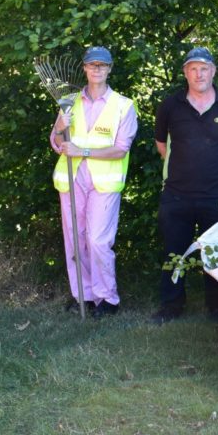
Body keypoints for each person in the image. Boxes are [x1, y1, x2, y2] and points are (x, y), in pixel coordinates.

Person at [152, 47, 218, 323]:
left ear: (213, 71)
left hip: (217, 195)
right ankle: (171, 306)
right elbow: (162, 145)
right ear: (185, 73)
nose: (199, 73)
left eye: (204, 68)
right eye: (193, 68)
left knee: (216, 254)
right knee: (174, 251)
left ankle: (217, 308)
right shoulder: (170, 105)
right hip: (176, 194)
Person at [49, 46, 138, 318]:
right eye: (92, 64)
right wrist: (61, 129)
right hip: (72, 180)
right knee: (75, 239)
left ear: (109, 69)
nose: (97, 69)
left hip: (104, 183)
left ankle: (107, 299)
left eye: (102, 65)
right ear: (84, 68)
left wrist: (82, 151)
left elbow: (121, 149)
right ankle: (83, 296)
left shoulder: (124, 106)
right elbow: (56, 142)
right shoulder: (69, 101)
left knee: (98, 241)